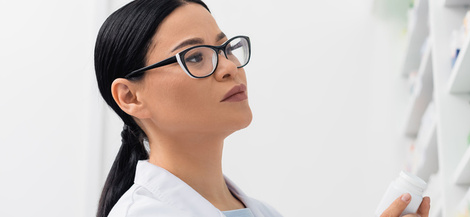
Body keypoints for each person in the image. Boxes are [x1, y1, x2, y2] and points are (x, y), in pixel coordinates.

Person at [94, 0, 431, 217]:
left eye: (225, 48)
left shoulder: (262, 212)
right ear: (130, 97)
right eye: (195, 56)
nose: (228, 66)